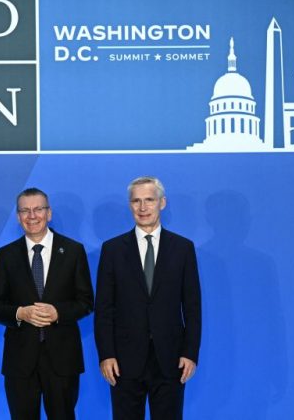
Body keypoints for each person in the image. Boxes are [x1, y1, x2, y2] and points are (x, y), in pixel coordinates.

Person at [94, 176, 202, 420]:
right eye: (136, 201)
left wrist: (190, 352)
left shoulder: (183, 248)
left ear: (162, 203)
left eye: (149, 200)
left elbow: (193, 306)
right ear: (130, 205)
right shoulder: (112, 250)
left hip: (171, 359)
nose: (142, 208)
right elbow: (104, 308)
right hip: (123, 360)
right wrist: (106, 354)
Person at [0, 188, 94, 420]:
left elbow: (86, 301)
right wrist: (20, 313)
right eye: (25, 210)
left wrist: (58, 312)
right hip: (20, 361)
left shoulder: (74, 251)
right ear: (18, 217)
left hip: (63, 360)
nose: (32, 216)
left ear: (49, 213)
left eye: (38, 209)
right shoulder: (6, 255)